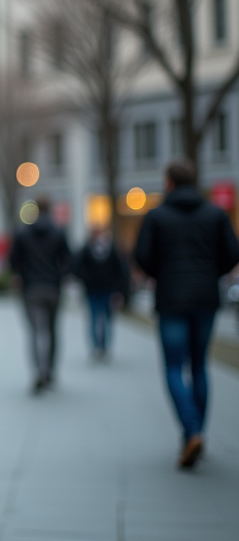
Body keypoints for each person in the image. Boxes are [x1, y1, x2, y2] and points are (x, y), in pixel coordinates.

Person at [133, 159, 239, 469]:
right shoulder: (216, 215)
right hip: (205, 299)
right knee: (200, 366)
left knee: (173, 367)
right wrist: (211, 274)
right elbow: (233, 253)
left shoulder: (157, 216)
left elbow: (142, 256)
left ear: (168, 183)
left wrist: (162, 274)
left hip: (171, 300)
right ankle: (197, 433)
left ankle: (191, 431)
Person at [9, 196, 71, 394]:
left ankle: (38, 372)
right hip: (53, 288)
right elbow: (69, 261)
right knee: (52, 331)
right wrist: (59, 277)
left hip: (31, 289)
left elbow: (13, 261)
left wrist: (22, 275)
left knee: (35, 332)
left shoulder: (23, 233)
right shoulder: (59, 233)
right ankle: (50, 371)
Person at [72, 226, 129, 361]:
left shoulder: (109, 250)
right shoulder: (87, 250)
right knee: (96, 318)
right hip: (93, 290)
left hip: (106, 290)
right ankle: (98, 346)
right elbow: (77, 268)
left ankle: (102, 346)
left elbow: (120, 270)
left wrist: (118, 289)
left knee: (104, 318)